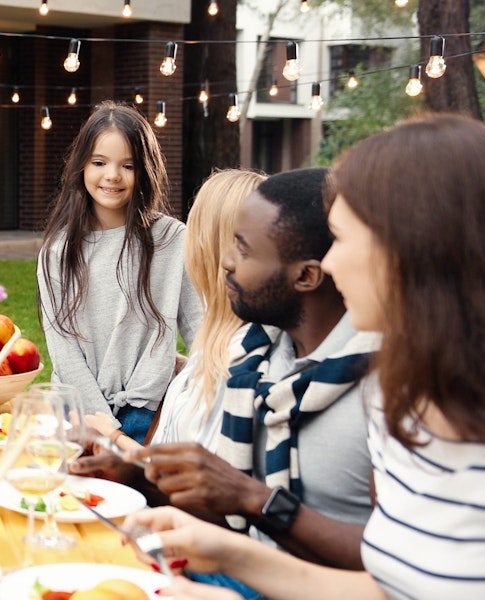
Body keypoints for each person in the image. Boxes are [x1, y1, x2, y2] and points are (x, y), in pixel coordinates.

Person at [126, 114, 485, 599]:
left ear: (419, 252)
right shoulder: (407, 403)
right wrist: (224, 558)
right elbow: (387, 587)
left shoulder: (386, 393)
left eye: (344, 239)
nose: (331, 264)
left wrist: (249, 516)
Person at [80, 168, 378, 575]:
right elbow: (239, 522)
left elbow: (403, 564)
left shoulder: (388, 383)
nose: (225, 261)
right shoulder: (256, 354)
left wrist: (255, 499)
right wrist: (137, 477)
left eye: (244, 249)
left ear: (306, 275)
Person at [37, 101, 202, 441]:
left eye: (128, 165)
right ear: (82, 165)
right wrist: (107, 430)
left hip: (149, 411)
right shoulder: (58, 251)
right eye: (99, 162)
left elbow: (200, 327)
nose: (112, 175)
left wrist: (202, 381)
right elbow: (64, 353)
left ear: (145, 170)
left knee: (143, 496)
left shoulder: (172, 239)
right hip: (76, 410)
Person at [87, 169, 265, 450]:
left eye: (192, 228)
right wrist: (180, 366)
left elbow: (188, 478)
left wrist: (110, 436)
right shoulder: (226, 335)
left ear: (206, 246)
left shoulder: (238, 361)